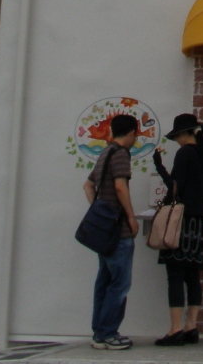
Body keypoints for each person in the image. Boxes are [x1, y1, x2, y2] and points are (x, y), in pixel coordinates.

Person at [153, 113, 203, 347]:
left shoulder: (184, 153)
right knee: (192, 275)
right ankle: (191, 326)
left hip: (180, 220)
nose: (176, 140)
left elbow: (175, 187)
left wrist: (159, 167)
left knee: (175, 275)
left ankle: (175, 328)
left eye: (177, 135)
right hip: (198, 220)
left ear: (183, 133)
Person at [84, 113, 140, 351]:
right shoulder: (121, 154)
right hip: (119, 232)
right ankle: (108, 334)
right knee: (119, 284)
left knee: (104, 282)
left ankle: (99, 332)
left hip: (104, 232)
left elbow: (88, 185)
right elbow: (120, 186)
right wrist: (130, 216)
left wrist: (98, 211)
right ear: (131, 133)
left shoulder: (105, 152)